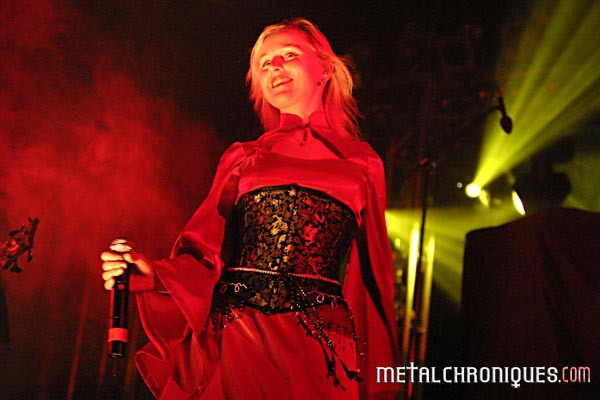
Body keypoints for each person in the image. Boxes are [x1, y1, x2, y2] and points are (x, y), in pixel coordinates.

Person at [101, 17, 399, 399]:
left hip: (319, 348)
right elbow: (206, 250)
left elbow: (373, 278)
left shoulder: (362, 163)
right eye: (264, 63)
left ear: (325, 68)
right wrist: (156, 276)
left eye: (288, 55)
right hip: (239, 335)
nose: (275, 67)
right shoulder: (244, 157)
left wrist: (377, 376)